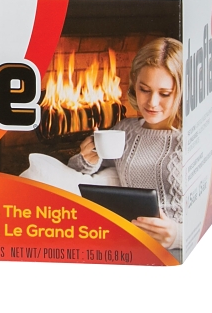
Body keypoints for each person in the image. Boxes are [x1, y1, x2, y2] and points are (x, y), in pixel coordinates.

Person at [67, 37, 183, 250]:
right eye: (144, 89)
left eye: (165, 94)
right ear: (134, 84)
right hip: (127, 243)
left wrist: (177, 237)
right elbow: (76, 174)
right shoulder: (126, 131)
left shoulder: (194, 135)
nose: (152, 102)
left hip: (178, 250)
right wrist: (87, 159)